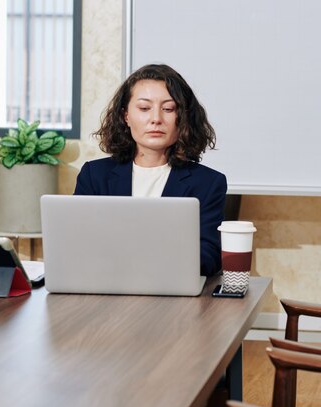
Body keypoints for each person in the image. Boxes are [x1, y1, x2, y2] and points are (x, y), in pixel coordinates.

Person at [74, 64, 227, 277]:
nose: (156, 119)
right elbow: (77, 246)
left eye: (168, 109)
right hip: (106, 288)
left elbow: (209, 257)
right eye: (144, 108)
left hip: (172, 293)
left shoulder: (209, 183)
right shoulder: (94, 175)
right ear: (125, 116)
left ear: (183, 117)